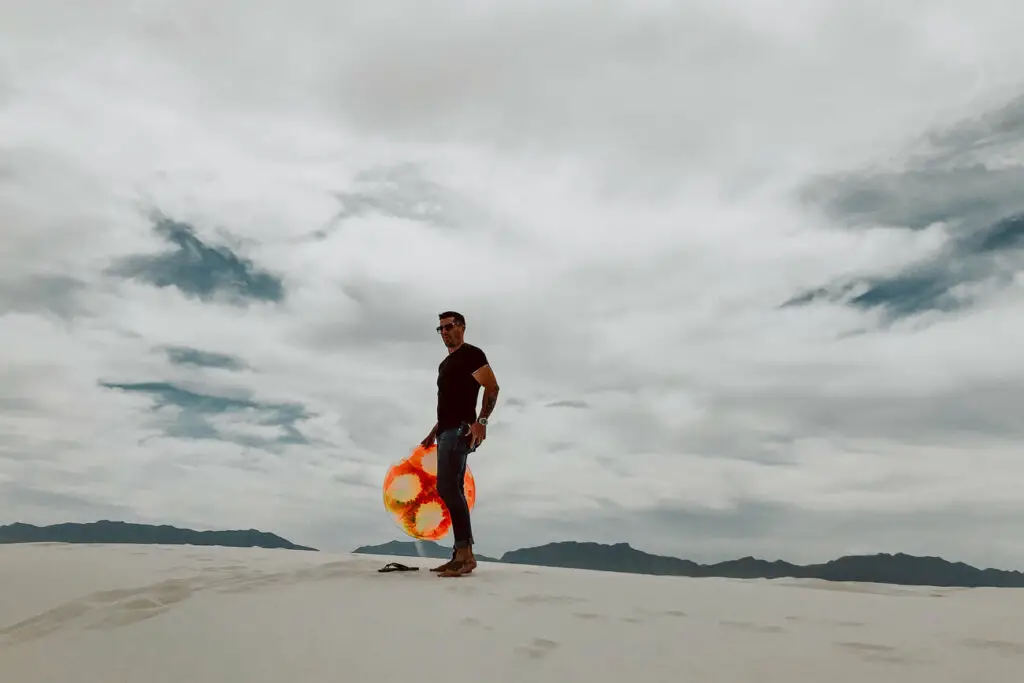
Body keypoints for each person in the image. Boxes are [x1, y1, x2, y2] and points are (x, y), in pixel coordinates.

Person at [420, 310, 500, 577]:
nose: (444, 332)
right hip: (446, 431)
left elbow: (492, 387)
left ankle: (465, 556)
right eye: (440, 328)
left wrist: (482, 422)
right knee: (452, 488)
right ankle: (461, 553)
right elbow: (449, 403)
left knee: (448, 487)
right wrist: (435, 430)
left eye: (449, 326)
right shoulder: (445, 365)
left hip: (461, 431)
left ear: (462, 327)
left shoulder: (472, 355)